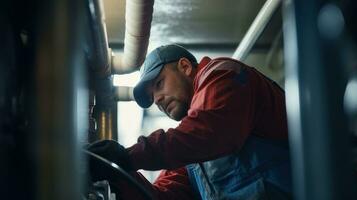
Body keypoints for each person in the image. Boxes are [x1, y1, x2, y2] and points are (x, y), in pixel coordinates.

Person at [87, 44, 292, 200]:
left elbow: (208, 132)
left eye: (159, 84)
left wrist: (126, 156)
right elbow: (159, 195)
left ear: (184, 66)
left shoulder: (223, 75)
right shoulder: (189, 151)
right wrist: (115, 173)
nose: (157, 100)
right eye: (152, 98)